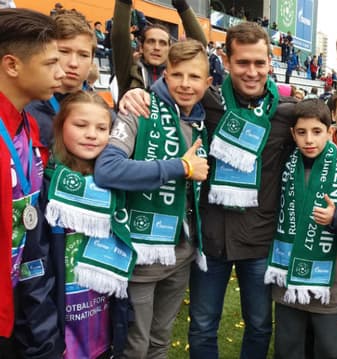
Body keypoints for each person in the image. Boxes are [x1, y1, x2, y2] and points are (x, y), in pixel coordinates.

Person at [187, 21, 337, 359]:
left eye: (259, 62)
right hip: (211, 238)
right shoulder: (208, 106)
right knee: (204, 324)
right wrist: (139, 92)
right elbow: (169, 94)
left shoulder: (284, 114)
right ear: (226, 61)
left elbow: (320, 131)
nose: (252, 71)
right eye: (242, 63)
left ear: (270, 62)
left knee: (259, 326)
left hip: (259, 241)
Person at [94, 39, 211, 358]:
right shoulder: (140, 108)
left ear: (207, 82)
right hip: (141, 254)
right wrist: (180, 167)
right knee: (135, 344)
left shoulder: (201, 118)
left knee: (160, 340)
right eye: (177, 75)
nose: (185, 84)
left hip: (181, 252)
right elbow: (107, 169)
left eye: (194, 77)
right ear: (164, 75)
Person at [265, 98, 337, 359]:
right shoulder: (286, 165)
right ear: (293, 134)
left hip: (329, 282)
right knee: (288, 347)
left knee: (330, 349)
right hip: (287, 279)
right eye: (301, 133)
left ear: (330, 131)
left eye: (317, 132)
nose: (309, 140)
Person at [44, 91, 136, 359]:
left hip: (101, 301)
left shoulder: (114, 179)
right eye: (81, 125)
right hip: (61, 304)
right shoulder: (48, 178)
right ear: (61, 127)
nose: (91, 134)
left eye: (102, 128)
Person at [0, 8, 65, 357]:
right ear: (12, 65)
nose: (62, 71)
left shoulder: (26, 125)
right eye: (51, 62)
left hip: (18, 306)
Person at [26, 9, 97, 148]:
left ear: (92, 60)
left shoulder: (103, 112)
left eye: (83, 55)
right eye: (64, 52)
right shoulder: (24, 108)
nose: (73, 63)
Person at [111, 0, 206, 101]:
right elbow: (119, 36)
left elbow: (199, 46)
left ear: (170, 49)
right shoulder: (129, 70)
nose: (156, 47)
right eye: (151, 41)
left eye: (163, 43)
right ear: (142, 48)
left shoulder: (179, 73)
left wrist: (181, 5)